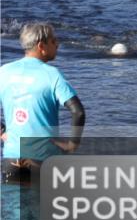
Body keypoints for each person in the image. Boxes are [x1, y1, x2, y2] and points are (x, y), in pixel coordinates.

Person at [0, 23, 85, 182]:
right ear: (41, 46)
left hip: (11, 158)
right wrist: (73, 144)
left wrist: (2, 132)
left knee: (13, 205)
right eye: (53, 41)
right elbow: (78, 112)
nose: (58, 44)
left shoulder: (4, 71)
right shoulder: (52, 75)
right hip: (42, 160)